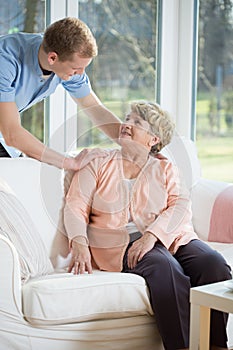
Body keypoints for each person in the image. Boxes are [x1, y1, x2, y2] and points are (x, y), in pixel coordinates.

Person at [64, 101, 232, 350]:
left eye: (136, 122)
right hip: (119, 243)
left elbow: (180, 205)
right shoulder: (97, 162)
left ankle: (215, 344)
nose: (126, 125)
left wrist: (152, 235)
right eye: (127, 118)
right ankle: (183, 346)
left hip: (169, 237)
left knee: (213, 264)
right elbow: (75, 205)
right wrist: (78, 241)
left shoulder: (165, 168)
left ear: (153, 139)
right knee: (164, 266)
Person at [0, 17, 121, 169]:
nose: (81, 74)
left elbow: (94, 108)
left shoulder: (63, 60)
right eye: (76, 68)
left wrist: (136, 146)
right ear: (52, 58)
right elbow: (12, 134)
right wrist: (70, 162)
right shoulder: (5, 59)